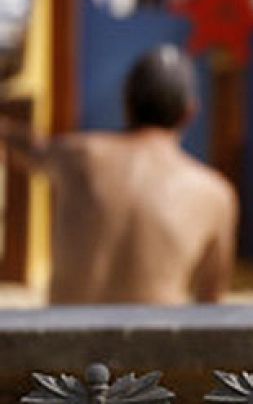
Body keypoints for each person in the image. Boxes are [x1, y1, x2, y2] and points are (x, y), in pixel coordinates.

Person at [1, 45, 237, 304]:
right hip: (150, 331)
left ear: (127, 102)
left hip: (67, 329)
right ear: (189, 113)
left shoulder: (79, 156)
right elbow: (210, 305)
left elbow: (30, 148)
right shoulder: (214, 195)